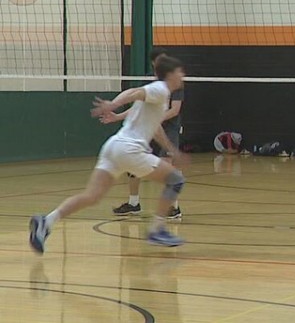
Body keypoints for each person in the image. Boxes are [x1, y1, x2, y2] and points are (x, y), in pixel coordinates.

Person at [29, 56, 189, 254]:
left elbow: (155, 128)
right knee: (175, 179)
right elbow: (134, 92)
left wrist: (173, 151)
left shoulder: (160, 98)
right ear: (171, 74)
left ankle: (46, 221)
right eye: (180, 71)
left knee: (91, 196)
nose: (182, 75)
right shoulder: (160, 89)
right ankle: (157, 229)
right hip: (130, 149)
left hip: (114, 147)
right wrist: (113, 104)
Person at [106, 47, 184, 219]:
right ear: (154, 64)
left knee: (167, 168)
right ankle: (133, 203)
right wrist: (117, 115)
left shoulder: (173, 82)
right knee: (132, 164)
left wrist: (155, 118)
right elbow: (138, 106)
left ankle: (174, 208)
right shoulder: (150, 83)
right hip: (149, 128)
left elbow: (175, 110)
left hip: (168, 128)